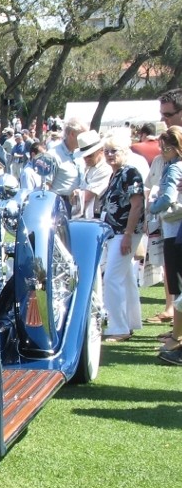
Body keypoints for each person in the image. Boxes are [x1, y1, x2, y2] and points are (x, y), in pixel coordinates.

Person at [98, 138, 145, 342]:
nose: (109, 154)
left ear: (124, 151)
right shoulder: (116, 174)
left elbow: (137, 205)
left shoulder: (130, 173)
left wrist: (128, 234)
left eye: (113, 150)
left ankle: (118, 327)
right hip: (116, 232)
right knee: (125, 278)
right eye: (106, 151)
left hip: (125, 232)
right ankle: (131, 322)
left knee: (111, 279)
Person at [148, 126, 182, 365]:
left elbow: (167, 199)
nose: (162, 152)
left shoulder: (174, 168)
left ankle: (178, 337)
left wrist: (153, 206)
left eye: (165, 148)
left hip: (175, 229)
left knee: (177, 285)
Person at [47, 118, 85, 212]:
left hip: (77, 203)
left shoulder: (80, 153)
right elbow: (46, 185)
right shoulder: (53, 155)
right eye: (82, 135)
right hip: (59, 205)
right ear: (72, 134)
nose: (84, 138)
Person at [73, 129, 111, 219]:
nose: (86, 159)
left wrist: (75, 194)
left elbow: (87, 196)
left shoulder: (105, 168)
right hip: (85, 215)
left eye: (90, 155)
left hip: (96, 216)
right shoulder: (89, 166)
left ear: (100, 151)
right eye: (84, 156)